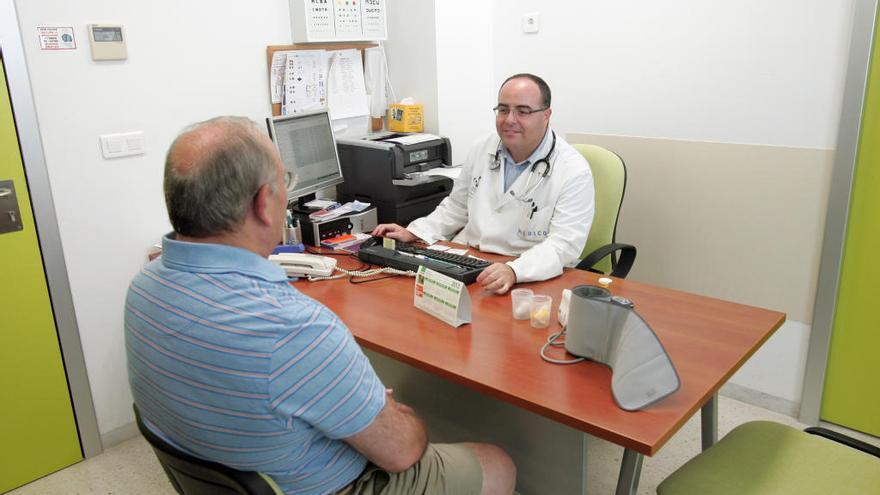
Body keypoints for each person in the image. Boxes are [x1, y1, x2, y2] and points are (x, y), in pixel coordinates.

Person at [125, 117, 516, 495]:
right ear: (265, 203)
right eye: (285, 184)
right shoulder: (296, 328)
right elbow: (403, 451)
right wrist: (391, 411)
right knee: (497, 463)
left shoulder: (142, 289)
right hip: (334, 484)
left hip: (239, 467)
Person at [373, 74, 595, 295]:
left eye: (523, 111)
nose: (510, 119)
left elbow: (563, 245)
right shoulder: (483, 148)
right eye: (503, 109)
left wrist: (514, 271)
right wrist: (416, 232)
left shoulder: (573, 170)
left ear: (546, 115)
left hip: (529, 274)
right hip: (471, 263)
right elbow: (456, 207)